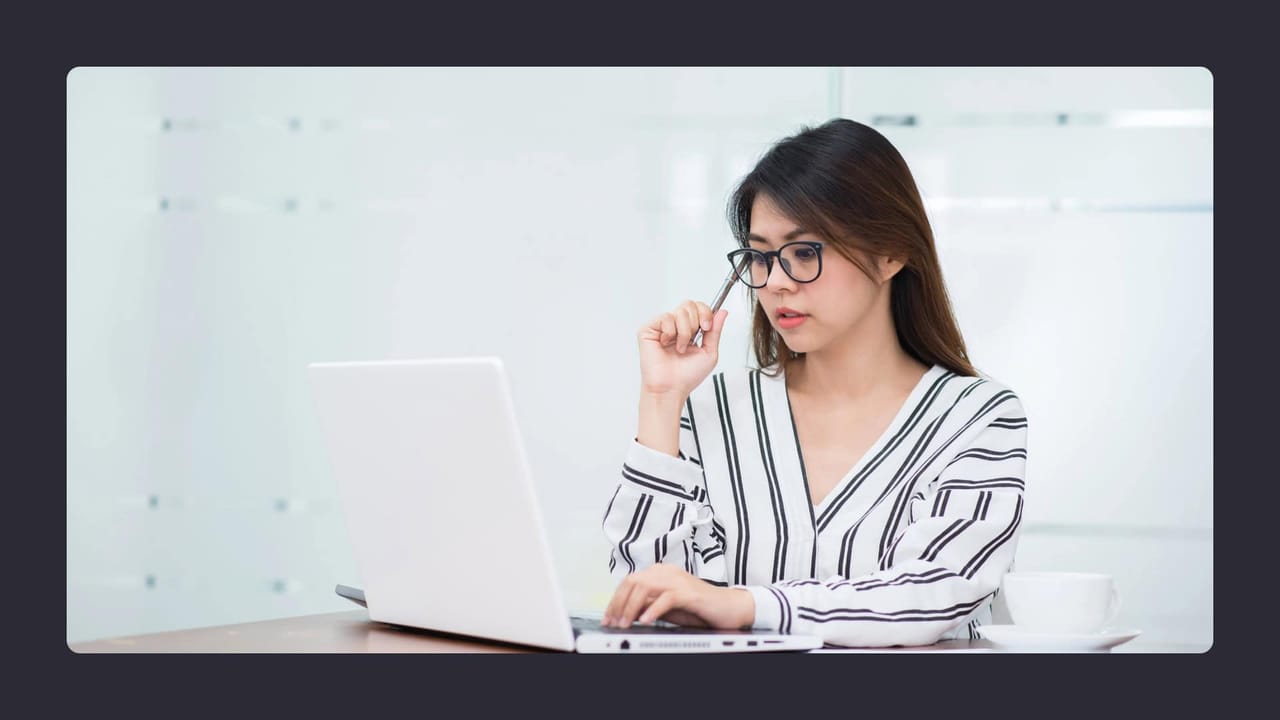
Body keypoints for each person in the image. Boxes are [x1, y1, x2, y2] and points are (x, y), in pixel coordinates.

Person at [599, 118, 1028, 648]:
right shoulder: (715, 409)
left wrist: (746, 604)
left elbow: (936, 591)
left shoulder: (977, 418)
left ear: (891, 252)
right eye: (759, 256)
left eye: (805, 252)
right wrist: (661, 401)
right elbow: (651, 598)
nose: (775, 281)